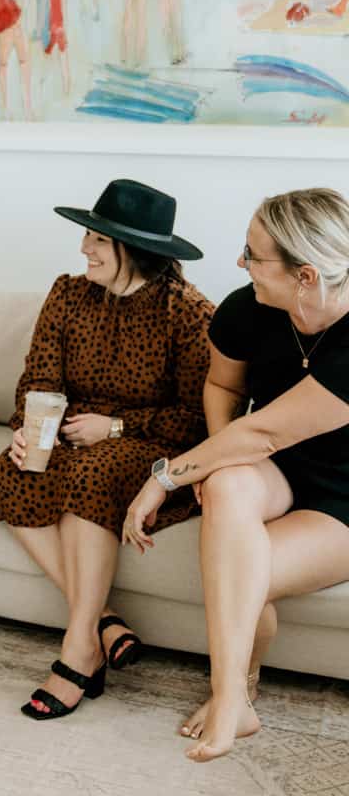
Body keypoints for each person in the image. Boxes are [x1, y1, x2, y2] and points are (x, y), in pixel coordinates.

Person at [125, 188, 349, 762]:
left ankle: (233, 695)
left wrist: (165, 478)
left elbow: (265, 432)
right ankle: (236, 700)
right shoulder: (246, 308)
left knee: (241, 568)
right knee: (225, 487)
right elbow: (224, 388)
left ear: (304, 275)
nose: (240, 264)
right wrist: (213, 461)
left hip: (342, 498)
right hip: (278, 469)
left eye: (253, 255)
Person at [0, 179, 214, 720]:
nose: (84, 248)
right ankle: (104, 622)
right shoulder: (68, 294)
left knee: (90, 474)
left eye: (97, 240)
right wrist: (25, 430)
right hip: (66, 434)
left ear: (134, 250)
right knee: (11, 471)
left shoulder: (188, 313)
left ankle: (78, 649)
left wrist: (114, 427)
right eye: (87, 236)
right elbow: (37, 379)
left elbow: (196, 419)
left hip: (148, 446)